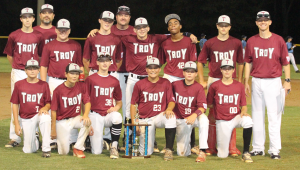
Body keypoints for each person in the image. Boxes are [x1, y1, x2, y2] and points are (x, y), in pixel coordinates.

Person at [244, 11, 291, 159]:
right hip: (257, 80)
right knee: (257, 116)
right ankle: (258, 147)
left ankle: (274, 149)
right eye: (260, 20)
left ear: (270, 22)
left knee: (274, 117)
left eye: (265, 20)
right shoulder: (251, 41)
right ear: (256, 23)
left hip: (274, 81)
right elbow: (248, 62)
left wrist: (287, 80)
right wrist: (246, 81)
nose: (263, 22)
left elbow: (285, 62)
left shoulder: (278, 40)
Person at [197, 15, 244, 156]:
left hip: (231, 80)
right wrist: (202, 80)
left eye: (226, 25)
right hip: (214, 79)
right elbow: (200, 61)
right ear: (217, 26)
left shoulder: (236, 43)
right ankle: (211, 146)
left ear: (230, 27)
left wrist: (240, 80)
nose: (223, 28)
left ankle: (231, 147)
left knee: (232, 111)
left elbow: (240, 62)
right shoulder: (210, 43)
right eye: (221, 25)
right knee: (212, 112)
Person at [4, 7, 45, 148]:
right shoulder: (14, 35)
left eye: (30, 17)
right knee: (16, 103)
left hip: (35, 71)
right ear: (21, 19)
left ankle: (36, 134)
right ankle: (15, 137)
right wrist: (16, 67)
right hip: (19, 71)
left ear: (34, 19)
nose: (27, 19)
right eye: (24, 17)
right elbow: (9, 55)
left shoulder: (39, 36)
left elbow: (40, 55)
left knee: (36, 103)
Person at [40, 18, 84, 149]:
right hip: (54, 81)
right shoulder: (49, 46)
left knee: (73, 108)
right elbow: (43, 66)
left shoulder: (76, 45)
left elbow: (80, 65)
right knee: (54, 109)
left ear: (69, 31)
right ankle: (52, 139)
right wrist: (44, 84)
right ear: (56, 30)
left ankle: (73, 139)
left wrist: (81, 81)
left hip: (72, 81)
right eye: (60, 30)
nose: (63, 32)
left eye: (65, 30)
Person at [159, 14, 198, 154]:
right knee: (168, 109)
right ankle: (168, 145)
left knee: (187, 106)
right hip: (169, 76)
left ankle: (192, 144)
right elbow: (161, 60)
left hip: (184, 77)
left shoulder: (189, 41)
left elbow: (193, 62)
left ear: (181, 26)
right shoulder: (165, 42)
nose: (173, 25)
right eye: (170, 24)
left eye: (176, 23)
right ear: (168, 28)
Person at [207, 59, 253, 163]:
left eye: (229, 69)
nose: (227, 71)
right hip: (222, 121)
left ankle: (246, 152)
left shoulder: (239, 86)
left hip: (236, 117)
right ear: (221, 70)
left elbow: (244, 105)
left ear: (233, 70)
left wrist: (244, 112)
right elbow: (209, 104)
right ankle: (221, 148)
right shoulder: (214, 86)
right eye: (225, 69)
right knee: (222, 155)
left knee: (248, 121)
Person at [131, 58, 176, 161]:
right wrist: (134, 123)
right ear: (146, 69)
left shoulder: (165, 82)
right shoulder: (140, 84)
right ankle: (148, 146)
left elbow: (172, 100)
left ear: (159, 69)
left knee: (171, 117)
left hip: (159, 117)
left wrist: (169, 108)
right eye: (150, 68)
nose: (153, 70)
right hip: (145, 120)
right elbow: (133, 104)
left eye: (155, 68)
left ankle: (169, 150)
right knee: (145, 153)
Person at [85, 52, 123, 159]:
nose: (104, 63)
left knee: (117, 117)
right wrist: (86, 117)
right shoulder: (90, 79)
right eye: (102, 61)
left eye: (107, 61)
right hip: (94, 114)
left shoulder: (114, 81)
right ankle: (89, 140)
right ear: (97, 62)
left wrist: (115, 108)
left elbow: (119, 101)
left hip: (107, 114)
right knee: (96, 151)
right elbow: (85, 100)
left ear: (111, 62)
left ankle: (114, 146)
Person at [10, 59, 51, 157]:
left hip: (39, 115)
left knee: (46, 118)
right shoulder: (19, 85)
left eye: (35, 68)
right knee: (28, 150)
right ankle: (35, 137)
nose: (32, 71)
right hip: (26, 118)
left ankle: (46, 149)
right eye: (30, 68)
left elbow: (49, 103)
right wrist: (16, 123)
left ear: (38, 70)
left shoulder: (44, 85)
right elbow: (15, 104)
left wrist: (45, 107)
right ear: (25, 70)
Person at [50, 63, 91, 158]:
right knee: (64, 152)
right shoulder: (58, 90)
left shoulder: (81, 86)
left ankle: (78, 148)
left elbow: (87, 102)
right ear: (66, 74)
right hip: (62, 121)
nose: (75, 76)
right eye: (72, 73)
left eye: (77, 73)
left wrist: (85, 115)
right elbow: (53, 110)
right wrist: (53, 129)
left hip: (75, 118)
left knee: (87, 122)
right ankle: (62, 144)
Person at [172, 61, 208, 162]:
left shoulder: (199, 87)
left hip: (194, 118)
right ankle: (191, 148)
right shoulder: (175, 85)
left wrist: (194, 115)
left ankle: (202, 151)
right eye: (187, 71)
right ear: (183, 72)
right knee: (182, 153)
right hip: (181, 120)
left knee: (204, 120)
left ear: (196, 74)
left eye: (192, 71)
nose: (189, 73)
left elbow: (203, 107)